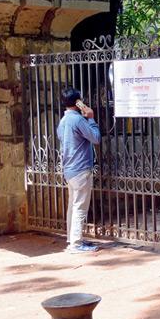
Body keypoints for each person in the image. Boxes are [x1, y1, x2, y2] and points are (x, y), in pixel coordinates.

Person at [59, 87, 102, 253]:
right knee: (80, 207)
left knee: (73, 205)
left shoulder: (63, 121)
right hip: (81, 168)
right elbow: (95, 138)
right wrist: (91, 118)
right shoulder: (78, 120)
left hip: (69, 168)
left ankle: (72, 239)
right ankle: (76, 244)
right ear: (78, 102)